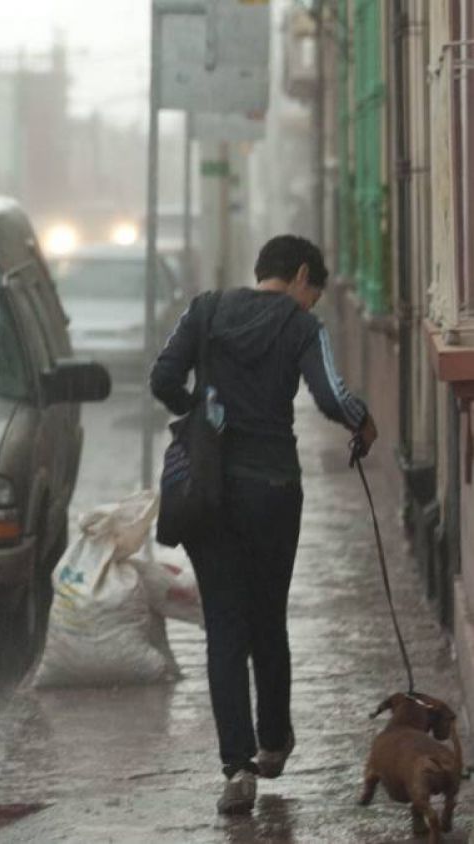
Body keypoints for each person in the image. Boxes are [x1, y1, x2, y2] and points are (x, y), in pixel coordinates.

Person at [149, 235, 378, 815]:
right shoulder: (301, 326)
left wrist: (198, 412)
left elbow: (162, 378)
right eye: (312, 294)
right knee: (267, 616)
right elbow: (331, 394)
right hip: (272, 490)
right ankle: (274, 741)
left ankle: (237, 769)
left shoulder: (205, 309)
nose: (309, 305)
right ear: (303, 276)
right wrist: (363, 423)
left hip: (209, 491)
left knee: (224, 624)